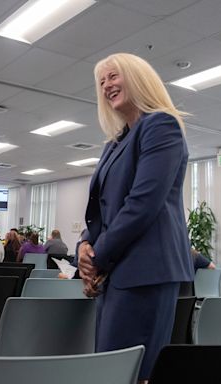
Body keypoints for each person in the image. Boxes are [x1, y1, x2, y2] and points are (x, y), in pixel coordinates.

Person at [78, 53, 194, 382]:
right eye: (101, 82)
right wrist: (84, 247)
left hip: (146, 272)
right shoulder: (114, 143)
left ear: (138, 77)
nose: (106, 86)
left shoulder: (161, 125)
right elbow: (101, 210)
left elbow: (142, 203)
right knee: (112, 370)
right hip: (117, 272)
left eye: (113, 77)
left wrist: (97, 256)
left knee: (133, 373)